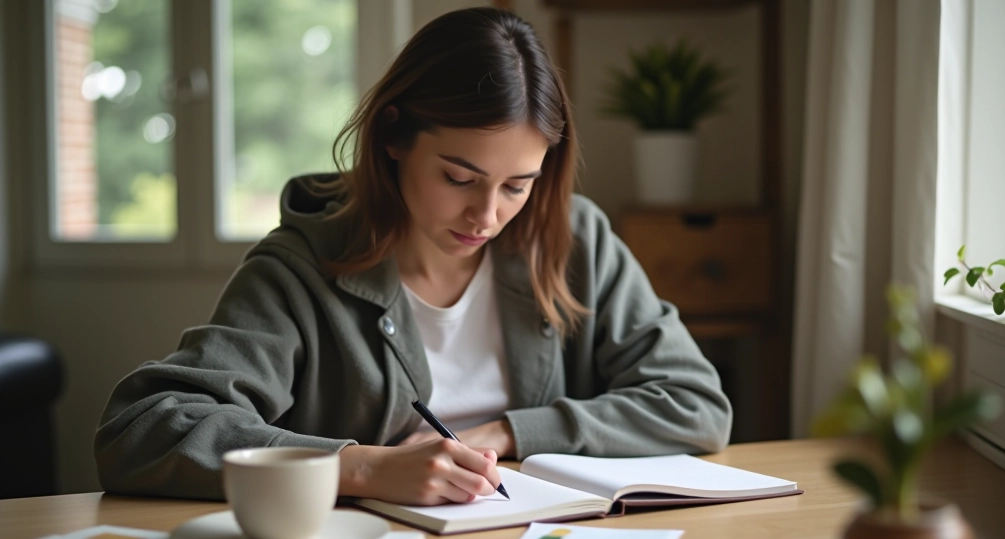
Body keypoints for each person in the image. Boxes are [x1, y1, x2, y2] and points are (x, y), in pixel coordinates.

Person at [94, 7, 732, 506]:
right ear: (394, 136)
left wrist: (507, 433)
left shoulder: (574, 240)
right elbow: (143, 430)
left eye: (517, 185)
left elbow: (695, 405)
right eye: (459, 177)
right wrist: (363, 466)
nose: (487, 216)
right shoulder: (302, 266)